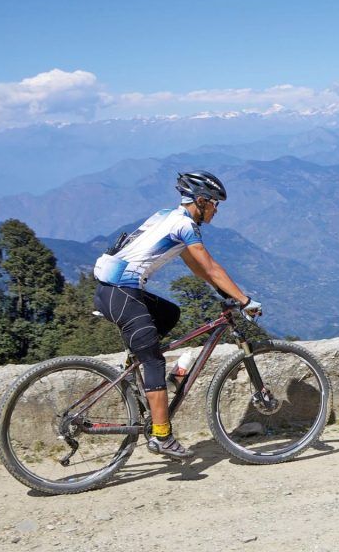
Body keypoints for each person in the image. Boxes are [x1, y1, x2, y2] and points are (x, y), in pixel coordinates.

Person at [92, 171, 262, 460]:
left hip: (112, 288)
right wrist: (243, 300)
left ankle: (140, 373)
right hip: (122, 292)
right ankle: (162, 436)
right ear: (200, 201)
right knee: (154, 361)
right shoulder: (185, 226)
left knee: (169, 314)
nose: (216, 210)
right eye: (214, 204)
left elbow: (196, 266)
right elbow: (210, 267)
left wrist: (222, 291)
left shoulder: (168, 216)